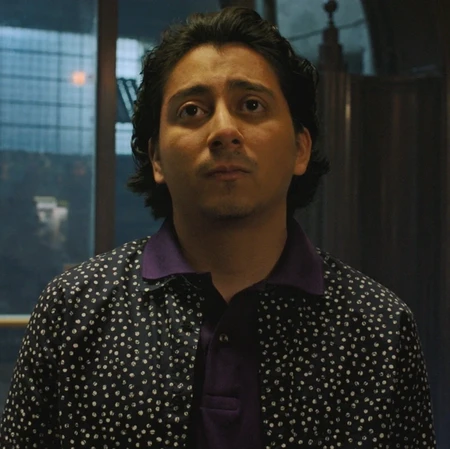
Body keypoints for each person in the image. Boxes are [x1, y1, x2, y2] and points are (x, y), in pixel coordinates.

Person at [0, 7, 436, 449]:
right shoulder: (74, 309)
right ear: (156, 158)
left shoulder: (379, 328)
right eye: (192, 110)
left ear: (300, 148)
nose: (224, 130)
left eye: (251, 105)